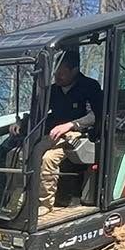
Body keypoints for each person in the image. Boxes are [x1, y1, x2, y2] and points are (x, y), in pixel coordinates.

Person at [38, 49, 104, 213]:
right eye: (55, 73)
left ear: (74, 70)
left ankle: (44, 205)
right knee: (21, 154)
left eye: (62, 73)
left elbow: (95, 116)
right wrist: (22, 125)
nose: (57, 77)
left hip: (80, 137)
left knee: (48, 159)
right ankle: (18, 202)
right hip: (54, 135)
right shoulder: (53, 91)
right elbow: (39, 114)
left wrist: (72, 125)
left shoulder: (90, 86)